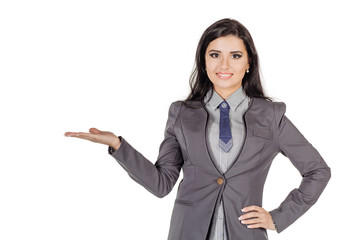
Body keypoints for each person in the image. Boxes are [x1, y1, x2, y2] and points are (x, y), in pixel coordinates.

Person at [65, 18, 331, 240]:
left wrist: (277, 217)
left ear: (248, 63)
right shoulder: (182, 113)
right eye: (215, 55)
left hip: (245, 233)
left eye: (235, 56)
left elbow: (317, 171)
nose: (224, 65)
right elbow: (161, 183)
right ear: (204, 62)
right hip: (187, 232)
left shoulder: (271, 116)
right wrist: (118, 146)